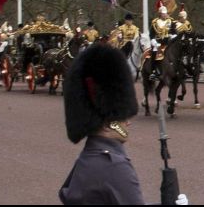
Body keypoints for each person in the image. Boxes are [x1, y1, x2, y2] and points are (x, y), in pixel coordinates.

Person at [59, 44, 186, 205]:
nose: (128, 122)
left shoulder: (86, 159)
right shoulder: (114, 166)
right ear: (105, 123)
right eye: (121, 116)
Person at [148, 3, 174, 81]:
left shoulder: (170, 21)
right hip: (158, 42)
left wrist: (172, 36)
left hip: (168, 42)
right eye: (163, 13)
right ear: (160, 14)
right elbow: (151, 35)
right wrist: (155, 43)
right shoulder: (155, 22)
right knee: (154, 52)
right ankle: (153, 71)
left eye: (165, 13)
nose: (165, 15)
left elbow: (174, 32)